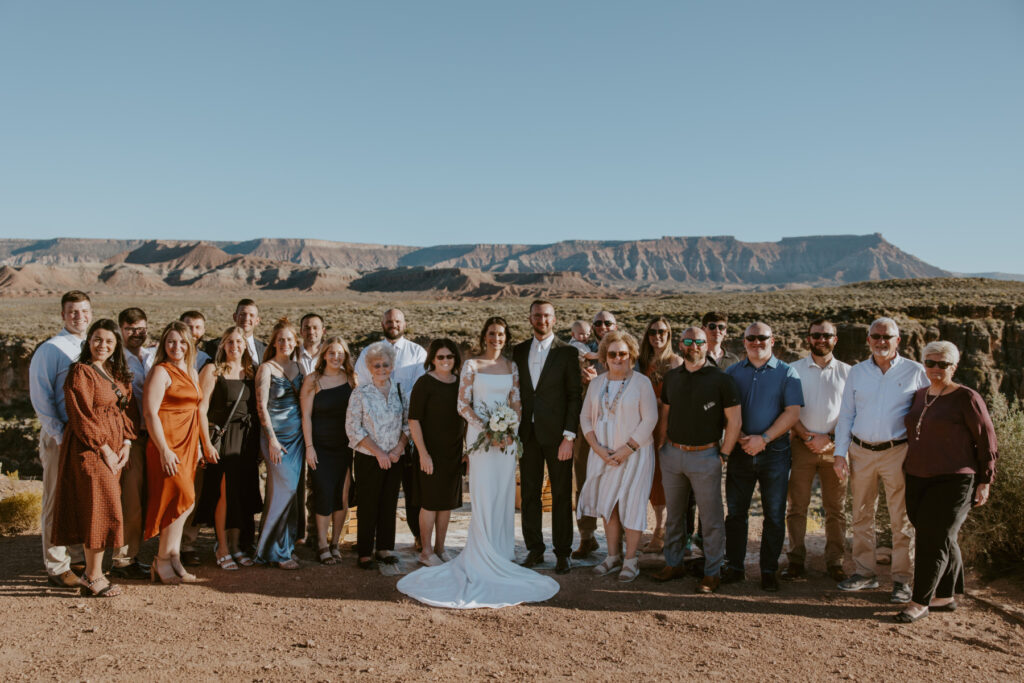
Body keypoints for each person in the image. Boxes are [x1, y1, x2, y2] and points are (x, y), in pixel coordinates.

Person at [397, 317, 559, 608]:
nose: (496, 338)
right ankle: (481, 552)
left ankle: (501, 552)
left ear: (505, 337)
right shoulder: (471, 366)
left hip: (507, 441)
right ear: (484, 336)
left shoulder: (511, 367)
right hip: (481, 440)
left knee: (504, 493)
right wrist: (488, 430)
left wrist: (509, 430)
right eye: (491, 333)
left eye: (501, 334)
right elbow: (462, 404)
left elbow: (516, 401)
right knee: (484, 494)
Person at [896, 341, 998, 623]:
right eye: (930, 362)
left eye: (943, 364)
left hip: (956, 478)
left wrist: (985, 480)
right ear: (923, 364)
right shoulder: (919, 395)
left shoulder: (966, 397)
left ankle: (919, 601)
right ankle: (945, 595)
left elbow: (986, 438)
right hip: (917, 475)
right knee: (936, 533)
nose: (935, 369)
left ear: (954, 367)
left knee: (933, 538)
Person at [834, 317, 928, 603]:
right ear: (868, 339)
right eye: (876, 336)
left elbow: (927, 412)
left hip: (897, 452)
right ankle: (864, 573)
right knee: (861, 514)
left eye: (887, 336)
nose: (881, 341)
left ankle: (902, 580)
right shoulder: (857, 372)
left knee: (902, 518)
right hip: (860, 451)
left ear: (898, 340)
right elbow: (846, 413)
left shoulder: (915, 371)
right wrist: (840, 453)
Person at [651, 327, 741, 593]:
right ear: (681, 344)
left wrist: (724, 453)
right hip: (673, 455)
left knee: (711, 519)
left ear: (706, 344)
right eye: (689, 341)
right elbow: (665, 413)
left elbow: (734, 421)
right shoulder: (673, 377)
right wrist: (662, 446)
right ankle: (673, 563)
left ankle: (712, 572)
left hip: (706, 455)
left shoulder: (720, 379)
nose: (694, 346)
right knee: (674, 516)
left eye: (699, 342)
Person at [50, 319, 135, 597]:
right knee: (100, 507)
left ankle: (93, 574)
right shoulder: (81, 372)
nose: (103, 345)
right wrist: (106, 449)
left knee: (104, 507)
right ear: (89, 341)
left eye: (109, 341)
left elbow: (122, 411)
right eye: (98, 339)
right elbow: (81, 415)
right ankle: (92, 575)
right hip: (90, 450)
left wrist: (125, 443)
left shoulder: (114, 372)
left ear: (116, 345)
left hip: (113, 450)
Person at [722, 322, 803, 592]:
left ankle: (768, 570)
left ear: (773, 340)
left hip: (775, 454)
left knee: (775, 515)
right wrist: (743, 437)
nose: (757, 343)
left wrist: (764, 439)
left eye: (762, 338)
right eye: (751, 338)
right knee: (735, 514)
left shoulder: (787, 373)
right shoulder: (732, 373)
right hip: (740, 452)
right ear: (744, 342)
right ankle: (734, 567)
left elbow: (792, 413)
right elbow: (726, 412)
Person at [578, 331, 658, 582]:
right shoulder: (596, 384)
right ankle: (613, 556)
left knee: (632, 506)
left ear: (631, 356)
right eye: (612, 354)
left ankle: (631, 559)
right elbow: (585, 418)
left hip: (635, 455)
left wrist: (626, 449)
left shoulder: (641, 383)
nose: (618, 358)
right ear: (604, 358)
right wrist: (599, 449)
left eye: (623, 353)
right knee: (608, 506)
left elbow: (650, 419)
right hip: (602, 455)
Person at [514, 300, 583, 574]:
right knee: (529, 493)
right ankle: (535, 550)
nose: (542, 320)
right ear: (530, 319)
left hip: (557, 436)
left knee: (561, 494)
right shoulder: (518, 351)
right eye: (537, 316)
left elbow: (573, 396)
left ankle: (563, 552)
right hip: (527, 434)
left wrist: (569, 436)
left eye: (546, 316)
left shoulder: (566, 353)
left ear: (554, 319)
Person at [29, 290, 92, 588]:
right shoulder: (50, 350)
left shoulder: (93, 346)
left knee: (79, 498)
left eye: (83, 310)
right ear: (63, 315)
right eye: (73, 311)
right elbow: (41, 398)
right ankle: (56, 564)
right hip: (61, 435)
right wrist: (58, 434)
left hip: (86, 437)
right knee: (55, 499)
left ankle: (78, 554)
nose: (79, 316)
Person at [783, 320, 851, 582]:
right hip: (801, 446)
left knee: (836, 508)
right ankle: (796, 560)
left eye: (826, 335)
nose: (821, 339)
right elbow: (788, 408)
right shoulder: (793, 370)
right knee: (797, 506)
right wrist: (807, 436)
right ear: (807, 339)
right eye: (816, 336)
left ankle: (835, 562)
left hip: (837, 449)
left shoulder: (848, 372)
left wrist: (830, 438)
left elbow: (851, 413)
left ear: (835, 339)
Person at [354, 308, 427, 550]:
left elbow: (420, 389)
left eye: (397, 321)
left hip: (408, 432)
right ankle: (368, 544)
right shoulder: (368, 352)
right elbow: (363, 386)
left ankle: (418, 537)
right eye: (388, 321)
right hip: (374, 438)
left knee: (412, 489)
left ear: (404, 323)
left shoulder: (418, 353)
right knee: (374, 495)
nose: (393, 324)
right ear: (382, 323)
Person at [195, 326, 262, 570]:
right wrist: (205, 444)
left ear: (245, 345)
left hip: (247, 439)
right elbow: (201, 410)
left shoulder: (251, 372)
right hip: (223, 438)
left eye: (238, 342)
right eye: (229, 342)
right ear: (223, 345)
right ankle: (221, 547)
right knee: (223, 494)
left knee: (241, 494)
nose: (234, 346)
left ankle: (236, 546)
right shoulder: (213, 370)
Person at [143, 321, 204, 584]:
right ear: (163, 344)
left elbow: (196, 411)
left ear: (190, 344)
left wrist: (200, 445)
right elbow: (150, 413)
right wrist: (164, 450)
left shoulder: (191, 371)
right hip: (167, 444)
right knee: (178, 497)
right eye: (171, 341)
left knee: (185, 503)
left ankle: (173, 557)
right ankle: (161, 560)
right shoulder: (161, 371)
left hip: (188, 443)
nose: (176, 346)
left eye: (181, 342)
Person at [346, 341, 410, 570]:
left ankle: (384, 547)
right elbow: (353, 428)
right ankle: (364, 550)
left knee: (388, 502)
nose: (381, 368)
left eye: (385, 364)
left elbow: (407, 424)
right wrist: (379, 453)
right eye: (376, 365)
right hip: (368, 457)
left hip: (395, 457)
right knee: (368, 503)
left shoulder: (400, 391)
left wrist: (397, 450)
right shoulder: (360, 393)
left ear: (392, 366)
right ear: (369, 367)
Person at [408, 339, 466, 567]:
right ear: (432, 359)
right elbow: (414, 420)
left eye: (449, 356)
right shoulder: (424, 383)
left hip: (453, 452)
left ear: (455, 359)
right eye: (440, 357)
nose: (445, 361)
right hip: (429, 452)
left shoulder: (460, 383)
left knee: (446, 503)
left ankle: (441, 549)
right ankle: (426, 551)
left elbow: (467, 416)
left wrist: (467, 450)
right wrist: (423, 453)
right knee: (430, 503)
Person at [254, 318, 305, 569]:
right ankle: (273, 551)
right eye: (280, 339)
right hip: (276, 438)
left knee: (291, 492)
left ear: (296, 342)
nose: (285, 343)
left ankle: (284, 546)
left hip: (297, 439)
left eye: (289, 339)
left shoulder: (300, 367)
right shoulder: (267, 368)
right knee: (283, 490)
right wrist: (271, 439)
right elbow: (261, 406)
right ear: (274, 342)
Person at [299, 335, 356, 565]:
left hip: (345, 446)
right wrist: (309, 447)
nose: (336, 357)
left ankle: (335, 543)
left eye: (340, 353)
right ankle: (322, 543)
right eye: (331, 352)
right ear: (324, 354)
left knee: (342, 496)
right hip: (320, 446)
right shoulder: (313, 380)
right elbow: (306, 416)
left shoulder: (352, 379)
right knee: (323, 492)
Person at [109, 307, 153, 580]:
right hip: (132, 437)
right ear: (120, 330)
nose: (136, 334)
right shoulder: (117, 362)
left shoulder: (152, 356)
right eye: (130, 329)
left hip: (157, 437)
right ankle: (123, 559)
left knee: (147, 496)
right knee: (131, 500)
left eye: (140, 328)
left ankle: (136, 553)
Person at [571, 309, 618, 560]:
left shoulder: (624, 350)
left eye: (607, 323)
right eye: (598, 323)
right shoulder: (582, 349)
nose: (602, 326)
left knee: (615, 478)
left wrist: (597, 382)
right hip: (586, 423)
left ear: (615, 325)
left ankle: (616, 538)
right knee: (584, 477)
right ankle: (586, 536)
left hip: (617, 425)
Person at [637, 316, 682, 554]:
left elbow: (677, 399)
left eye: (663, 331)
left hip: (665, 426)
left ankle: (660, 531)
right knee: (646, 476)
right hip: (641, 426)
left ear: (669, 334)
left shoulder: (675, 362)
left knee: (662, 478)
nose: (658, 336)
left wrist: (654, 402)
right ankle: (644, 529)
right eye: (653, 332)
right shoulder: (641, 362)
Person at [179, 310, 212, 565]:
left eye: (197, 327)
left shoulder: (206, 360)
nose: (192, 332)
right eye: (188, 326)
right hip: (172, 431)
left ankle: (186, 544)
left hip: (197, 431)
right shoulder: (164, 357)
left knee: (194, 490)